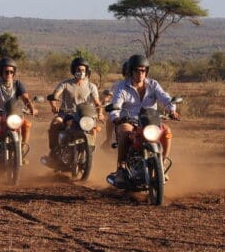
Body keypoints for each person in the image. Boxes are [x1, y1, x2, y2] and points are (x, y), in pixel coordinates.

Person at [107, 54, 180, 183]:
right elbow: (116, 104)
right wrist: (116, 117)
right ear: (131, 71)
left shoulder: (153, 84)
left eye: (143, 70)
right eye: (137, 70)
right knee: (125, 132)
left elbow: (165, 98)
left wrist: (172, 110)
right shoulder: (122, 87)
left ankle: (161, 166)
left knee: (167, 131)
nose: (140, 73)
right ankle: (121, 168)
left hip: (150, 121)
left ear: (146, 71)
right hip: (130, 121)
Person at [42, 57, 104, 164]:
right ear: (73, 70)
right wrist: (54, 105)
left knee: (93, 129)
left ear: (87, 71)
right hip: (66, 113)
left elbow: (97, 102)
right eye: (78, 70)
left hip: (84, 115)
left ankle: (89, 154)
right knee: (55, 123)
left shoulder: (91, 86)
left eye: (83, 70)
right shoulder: (65, 84)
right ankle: (53, 152)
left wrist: (100, 113)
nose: (80, 72)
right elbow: (55, 95)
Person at [0, 57, 36, 162]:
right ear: (1, 72)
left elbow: (26, 98)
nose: (9, 74)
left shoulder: (18, 84)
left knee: (26, 124)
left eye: (11, 72)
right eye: (6, 71)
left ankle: (21, 152)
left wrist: (31, 107)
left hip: (14, 115)